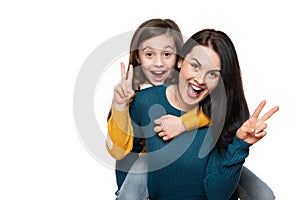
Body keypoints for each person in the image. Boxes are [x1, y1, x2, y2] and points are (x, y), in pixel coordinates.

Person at [107, 19, 277, 199]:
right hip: (157, 172)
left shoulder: (216, 108)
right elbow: (121, 153)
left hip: (212, 174)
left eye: (167, 54)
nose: (159, 64)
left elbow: (219, 113)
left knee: (263, 194)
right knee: (142, 163)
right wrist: (119, 105)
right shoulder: (140, 99)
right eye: (149, 54)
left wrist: (183, 123)